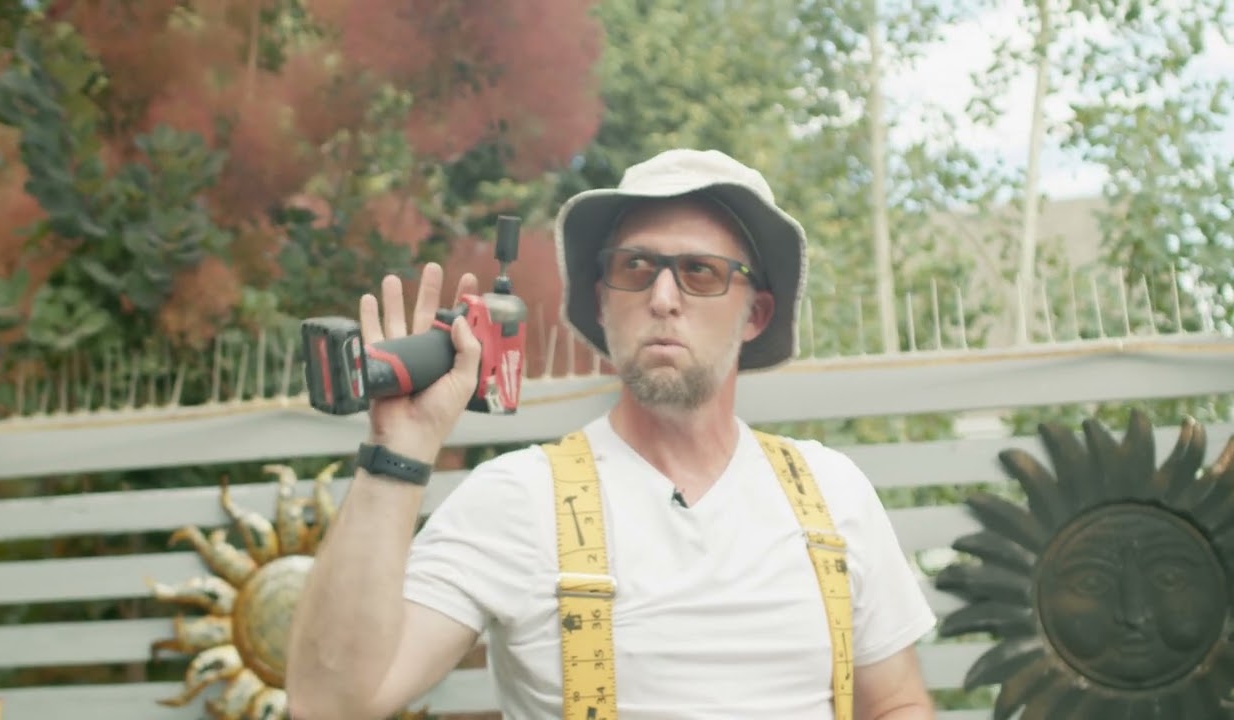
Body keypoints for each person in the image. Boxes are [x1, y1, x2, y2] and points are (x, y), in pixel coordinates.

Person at [286, 149, 939, 719]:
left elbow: (896, 703)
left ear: (754, 314)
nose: (662, 296)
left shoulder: (833, 493)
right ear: (602, 302)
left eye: (701, 272)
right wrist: (398, 449)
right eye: (635, 267)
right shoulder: (517, 499)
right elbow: (331, 702)